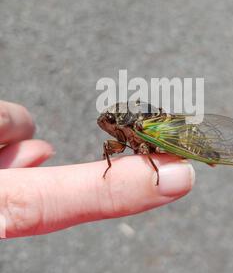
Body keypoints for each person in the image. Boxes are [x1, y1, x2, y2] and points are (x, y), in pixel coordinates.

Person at [0, 100, 195, 239]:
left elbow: (144, 149)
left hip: (167, 137)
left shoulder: (138, 127)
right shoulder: (123, 129)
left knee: (149, 150)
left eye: (110, 119)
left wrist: (157, 173)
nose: (105, 123)